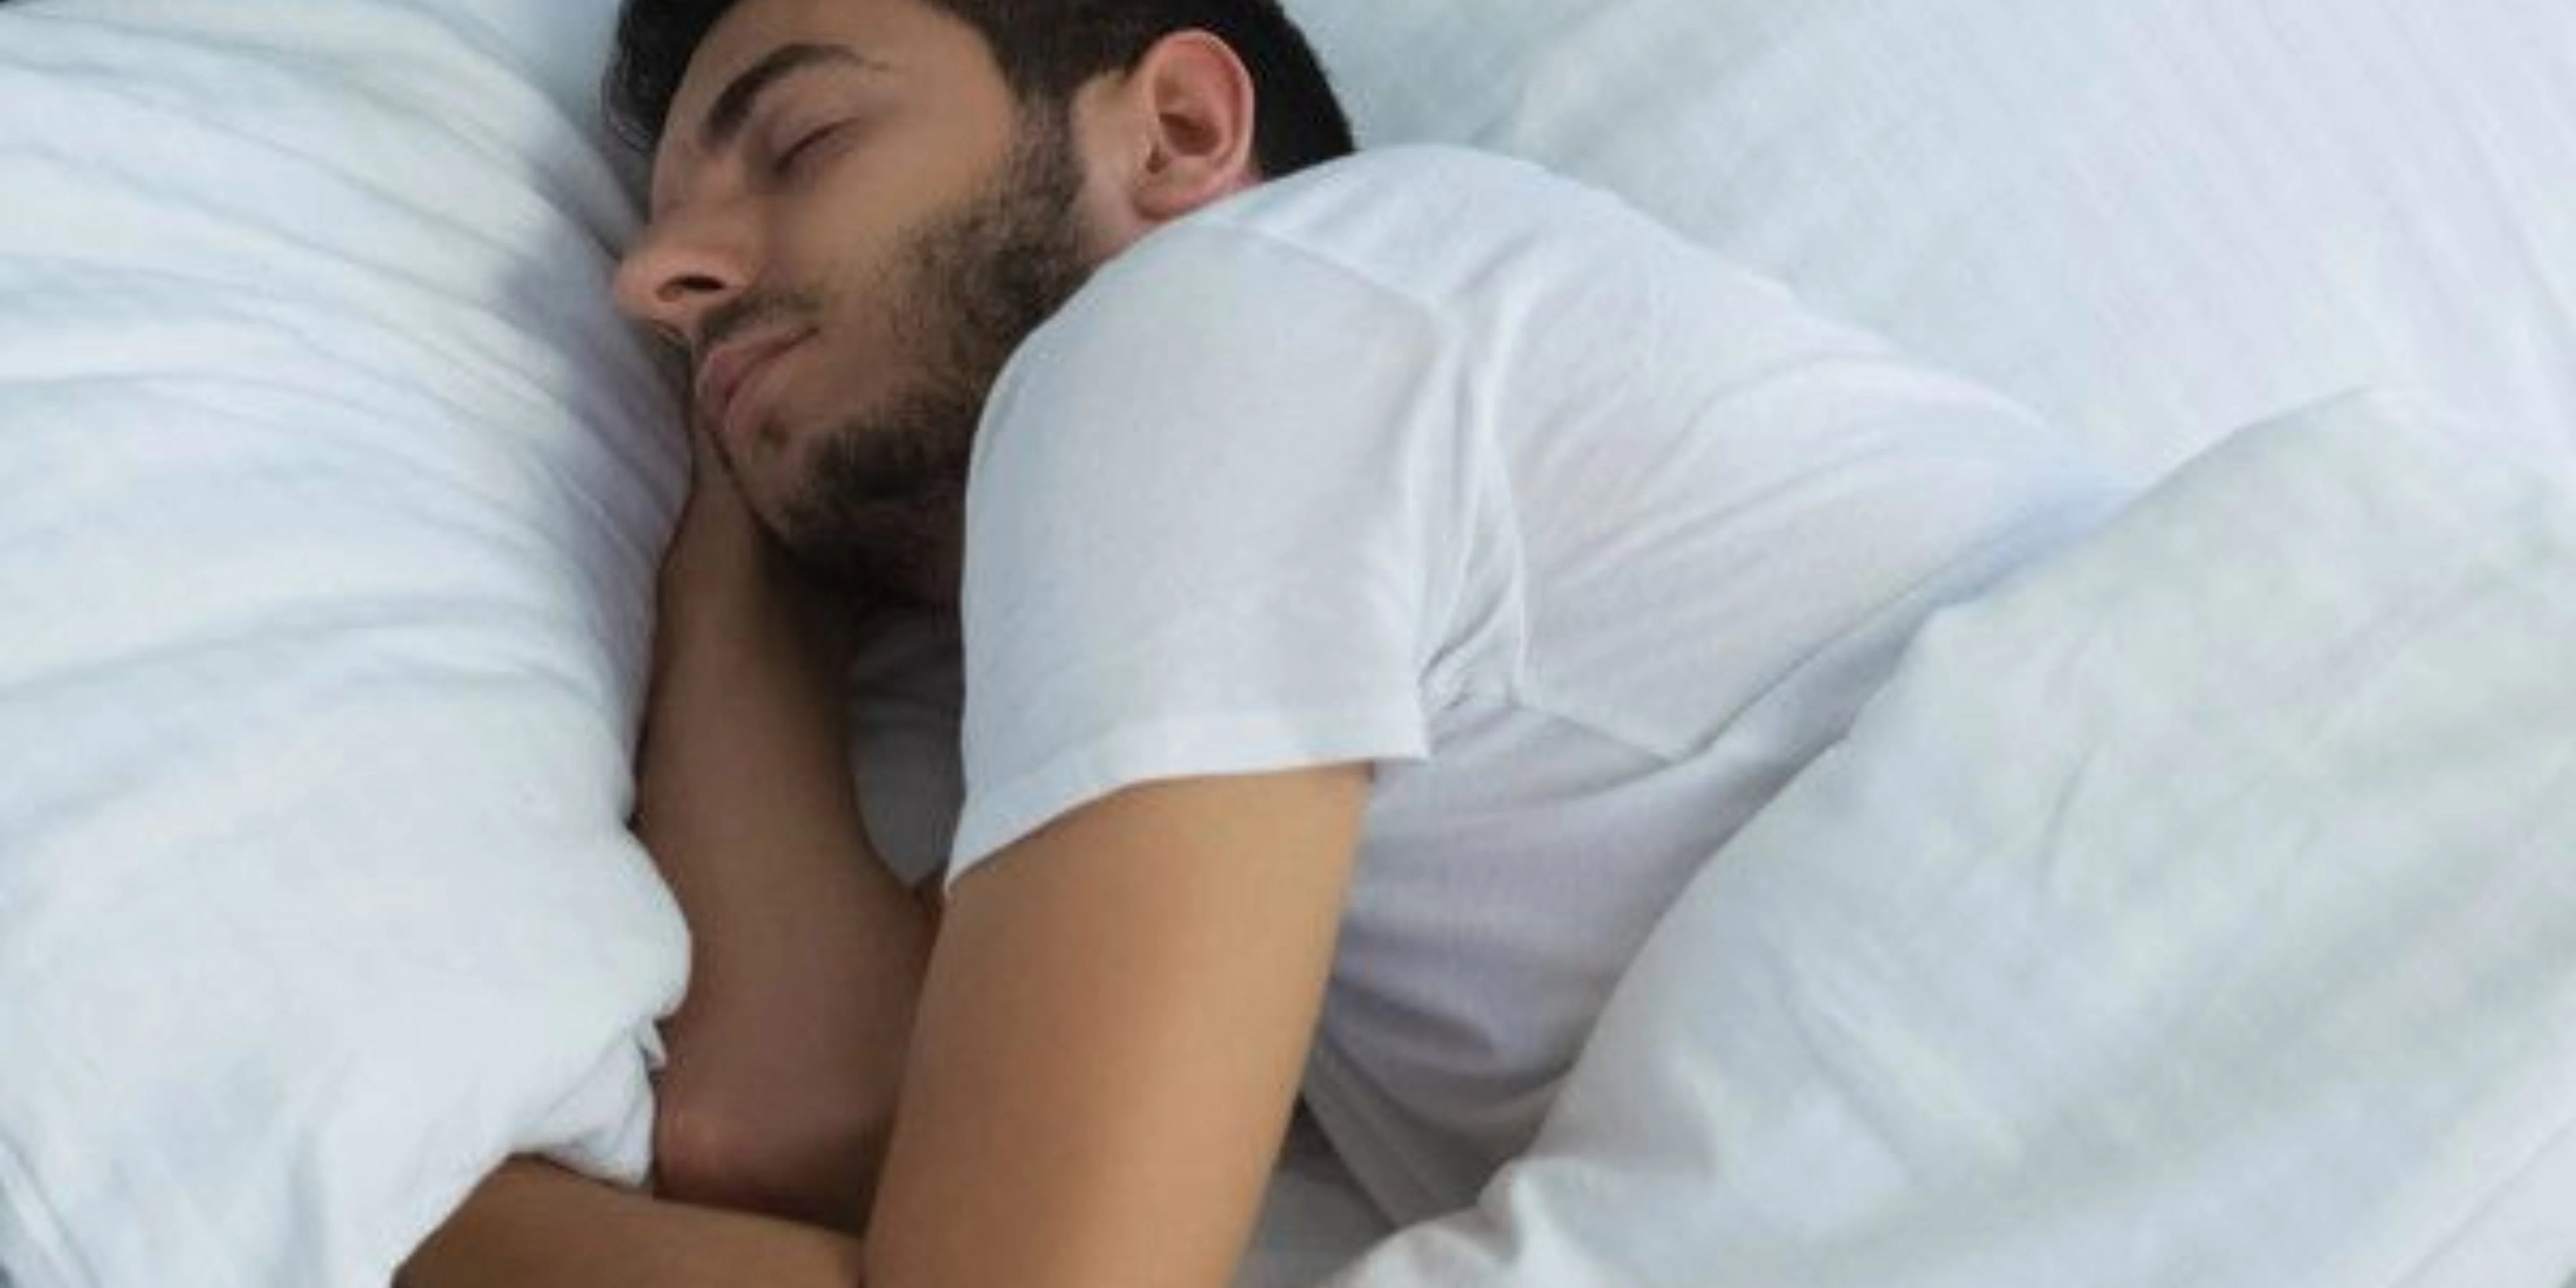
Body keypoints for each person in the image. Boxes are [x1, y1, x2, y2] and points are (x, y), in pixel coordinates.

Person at [405, 0, 2121, 1283]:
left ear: (1174, 129)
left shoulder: (1222, 320)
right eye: (655, 240)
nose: (660, 280)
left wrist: (388, 1222)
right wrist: (736, 588)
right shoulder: (1271, 632)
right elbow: (810, 1116)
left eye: (801, 147)